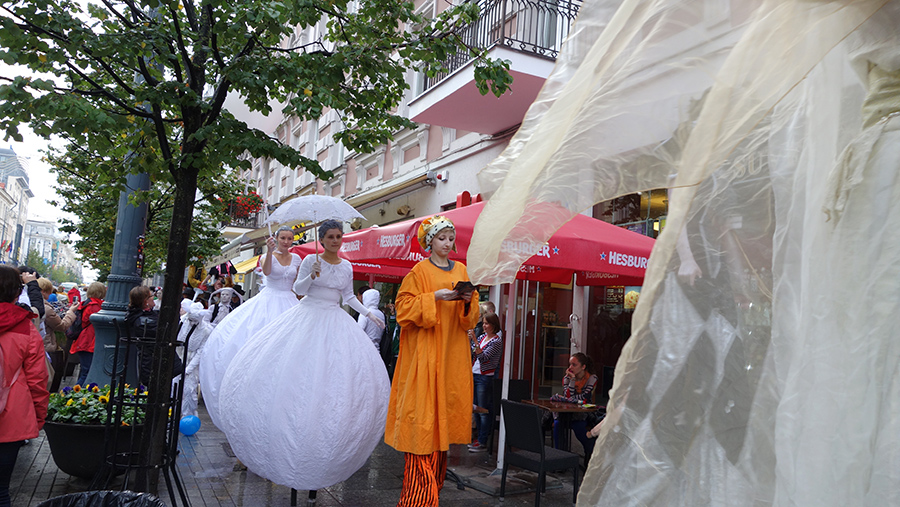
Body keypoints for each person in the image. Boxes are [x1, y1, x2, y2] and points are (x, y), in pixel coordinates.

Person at [218, 220, 389, 491]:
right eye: (331, 237)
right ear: (323, 239)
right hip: (308, 315)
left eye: (339, 236)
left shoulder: (346, 266)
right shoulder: (311, 260)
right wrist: (313, 275)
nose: (336, 241)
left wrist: (368, 313)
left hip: (334, 318)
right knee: (297, 368)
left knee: (334, 372)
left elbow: (347, 296)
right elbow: (299, 289)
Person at [385, 215, 480, 507]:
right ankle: (418, 499)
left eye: (451, 239)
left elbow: (471, 319)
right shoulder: (418, 272)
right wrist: (434, 297)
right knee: (422, 426)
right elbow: (402, 310)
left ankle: (431, 490)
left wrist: (465, 300)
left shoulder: (462, 269)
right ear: (430, 241)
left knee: (441, 426)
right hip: (425, 357)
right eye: (442, 239)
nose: (447, 244)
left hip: (452, 356)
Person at [200, 225, 303, 428]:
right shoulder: (267, 256)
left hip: (289, 300)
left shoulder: (297, 259)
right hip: (269, 299)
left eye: (290, 238)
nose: (286, 241)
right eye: (283, 238)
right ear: (277, 238)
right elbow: (266, 272)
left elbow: (297, 284)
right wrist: (271, 251)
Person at [0, 265, 49, 507]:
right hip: (11, 416)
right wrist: (39, 415)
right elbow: (38, 379)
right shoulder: (25, 327)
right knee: (1, 491)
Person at [550, 352, 598, 461]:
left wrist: (571, 398)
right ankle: (559, 459)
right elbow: (568, 395)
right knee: (557, 424)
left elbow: (586, 397)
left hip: (582, 413)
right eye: (570, 364)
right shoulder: (567, 377)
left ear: (583, 367)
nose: (570, 367)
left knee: (579, 427)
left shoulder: (591, 378)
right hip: (565, 412)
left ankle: (590, 453)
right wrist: (572, 380)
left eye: (574, 365)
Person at [467, 311, 502, 453]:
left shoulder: (496, 341)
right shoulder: (482, 337)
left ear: (493, 325)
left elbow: (484, 357)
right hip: (474, 374)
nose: (484, 326)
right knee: (475, 408)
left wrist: (475, 342)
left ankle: (482, 440)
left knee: (482, 409)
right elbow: (472, 351)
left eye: (487, 323)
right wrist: (473, 342)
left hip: (485, 377)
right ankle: (478, 439)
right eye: (483, 323)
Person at [37, 278, 77, 393]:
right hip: (46, 348)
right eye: (49, 291)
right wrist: (71, 312)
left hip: (39, 346)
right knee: (48, 381)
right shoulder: (46, 308)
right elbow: (61, 325)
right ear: (44, 291)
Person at [70, 282, 105, 386]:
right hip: (89, 342)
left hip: (84, 341)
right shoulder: (95, 306)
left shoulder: (87, 303)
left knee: (85, 371)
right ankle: (74, 395)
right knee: (87, 372)